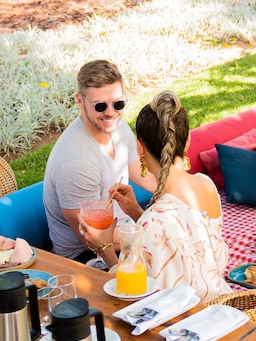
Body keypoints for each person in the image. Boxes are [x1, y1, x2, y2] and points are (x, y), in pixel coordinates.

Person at [80, 91, 230, 303]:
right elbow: (178, 238)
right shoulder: (206, 184)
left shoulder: (153, 223)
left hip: (189, 318)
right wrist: (137, 213)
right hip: (223, 305)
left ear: (139, 147)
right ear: (187, 141)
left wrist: (104, 248)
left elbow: (136, 295)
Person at [43, 59, 156, 261]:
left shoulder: (119, 130)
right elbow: (94, 239)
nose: (111, 113)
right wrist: (157, 233)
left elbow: (146, 177)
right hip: (87, 257)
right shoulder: (77, 163)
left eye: (118, 104)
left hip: (122, 235)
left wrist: (180, 195)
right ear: (79, 101)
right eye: (100, 106)